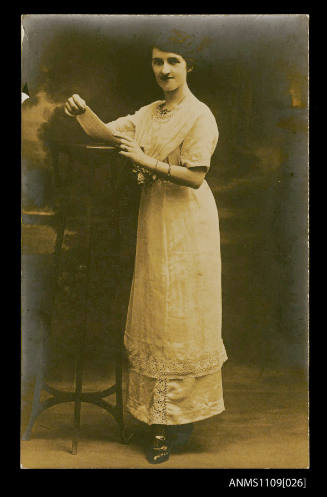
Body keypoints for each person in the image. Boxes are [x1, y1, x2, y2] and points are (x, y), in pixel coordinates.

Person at [64, 36, 228, 464]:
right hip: (156, 218)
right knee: (157, 311)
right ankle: (159, 418)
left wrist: (142, 160)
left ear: (190, 66)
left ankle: (174, 420)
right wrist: (83, 114)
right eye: (158, 62)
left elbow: (194, 177)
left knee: (181, 315)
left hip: (189, 222)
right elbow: (106, 135)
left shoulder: (200, 115)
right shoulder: (149, 114)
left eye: (174, 61)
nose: (165, 70)